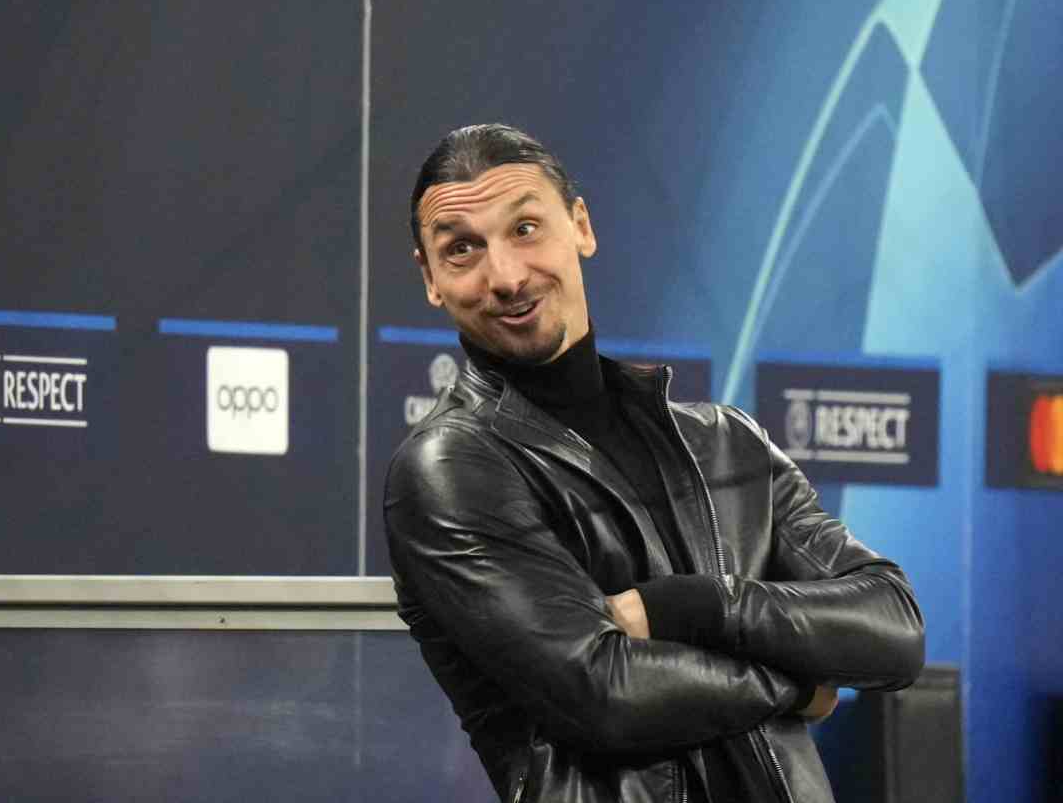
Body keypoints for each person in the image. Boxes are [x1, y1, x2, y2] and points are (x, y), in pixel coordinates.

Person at [384, 123, 924, 803]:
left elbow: (895, 626)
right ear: (431, 279)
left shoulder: (726, 441)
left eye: (525, 229)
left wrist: (695, 607)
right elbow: (603, 693)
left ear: (581, 226)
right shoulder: (448, 466)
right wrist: (801, 685)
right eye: (462, 249)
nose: (507, 276)